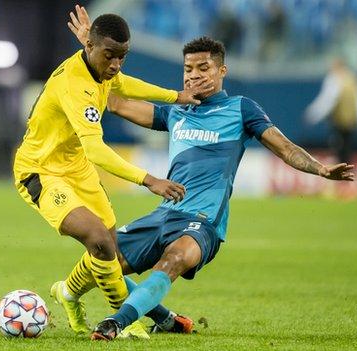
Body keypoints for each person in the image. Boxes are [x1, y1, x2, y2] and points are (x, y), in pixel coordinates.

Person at [64, 10, 355, 341]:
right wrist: (91, 52)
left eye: (203, 68)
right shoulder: (175, 111)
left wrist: (320, 168)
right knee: (105, 260)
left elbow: (285, 148)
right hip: (165, 212)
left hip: (203, 221)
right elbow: (114, 102)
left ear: (222, 70)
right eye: (188, 69)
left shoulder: (241, 109)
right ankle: (164, 319)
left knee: (173, 260)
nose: (193, 76)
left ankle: (115, 323)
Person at [12, 7, 212, 337]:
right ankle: (127, 319)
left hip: (76, 169)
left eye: (122, 56)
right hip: (41, 172)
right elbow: (95, 149)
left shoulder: (101, 69)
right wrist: (149, 180)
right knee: (98, 239)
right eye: (110, 56)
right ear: (89, 47)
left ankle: (67, 293)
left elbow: (126, 84)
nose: (116, 65)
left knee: (111, 254)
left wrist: (176, 96)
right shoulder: (75, 86)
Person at [304, 58, 357, 164]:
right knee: (346, 148)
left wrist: (313, 115)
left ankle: (340, 172)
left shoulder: (334, 79)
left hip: (339, 122)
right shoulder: (353, 79)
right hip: (350, 123)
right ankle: (344, 169)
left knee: (340, 150)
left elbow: (327, 101)